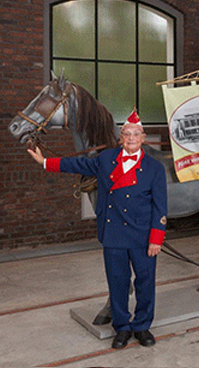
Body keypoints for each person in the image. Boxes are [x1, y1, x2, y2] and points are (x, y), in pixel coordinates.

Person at [27, 111, 167, 348]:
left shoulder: (154, 167)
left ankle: (142, 326)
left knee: (145, 282)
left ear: (143, 138)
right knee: (117, 282)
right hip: (112, 234)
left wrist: (156, 238)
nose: (131, 138)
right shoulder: (106, 159)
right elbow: (77, 163)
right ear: (120, 138)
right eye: (127, 134)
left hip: (142, 235)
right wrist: (45, 162)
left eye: (136, 134)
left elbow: (160, 206)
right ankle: (122, 327)